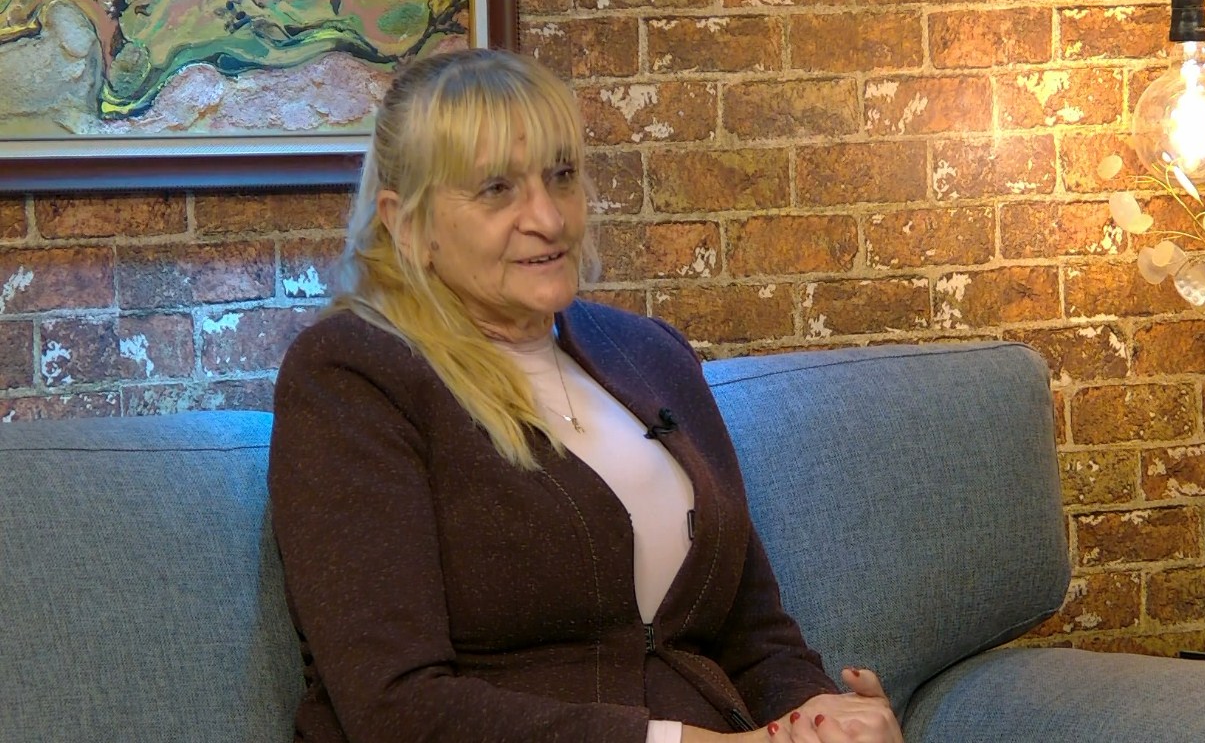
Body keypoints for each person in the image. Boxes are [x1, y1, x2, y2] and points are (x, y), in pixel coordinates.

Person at [267, 47, 904, 743]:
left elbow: (755, 636)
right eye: (497, 189)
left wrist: (824, 719)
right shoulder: (351, 375)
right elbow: (396, 708)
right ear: (407, 223)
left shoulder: (652, 353)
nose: (548, 217)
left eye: (561, 176)